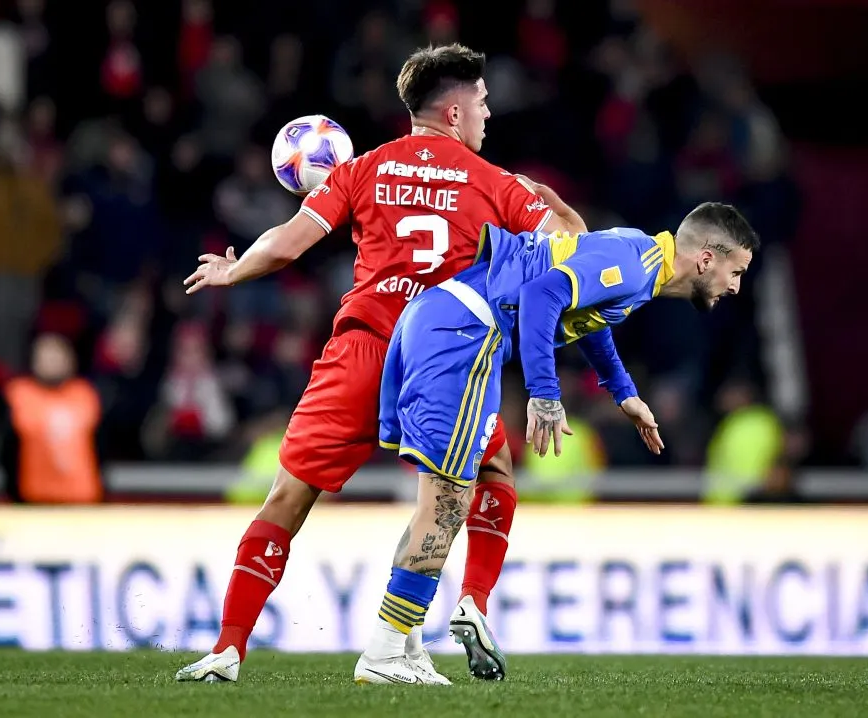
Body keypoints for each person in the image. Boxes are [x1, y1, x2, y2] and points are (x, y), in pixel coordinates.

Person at [176, 43, 586, 684]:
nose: (488, 113)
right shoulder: (495, 182)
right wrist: (558, 208)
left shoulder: (364, 168)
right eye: (481, 101)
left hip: (362, 348)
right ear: (453, 112)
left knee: (287, 496)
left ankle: (227, 649)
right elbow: (571, 256)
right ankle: (441, 619)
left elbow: (287, 245)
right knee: (473, 483)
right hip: (443, 357)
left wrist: (234, 270)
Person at [362, 202, 758, 684]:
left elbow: (591, 319)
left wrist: (623, 392)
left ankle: (419, 636)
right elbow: (541, 295)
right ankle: (384, 650)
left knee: (492, 473)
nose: (735, 286)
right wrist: (544, 395)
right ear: (706, 260)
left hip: (443, 319)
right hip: (463, 332)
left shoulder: (640, 258)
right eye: (735, 271)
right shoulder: (635, 265)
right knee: (447, 501)